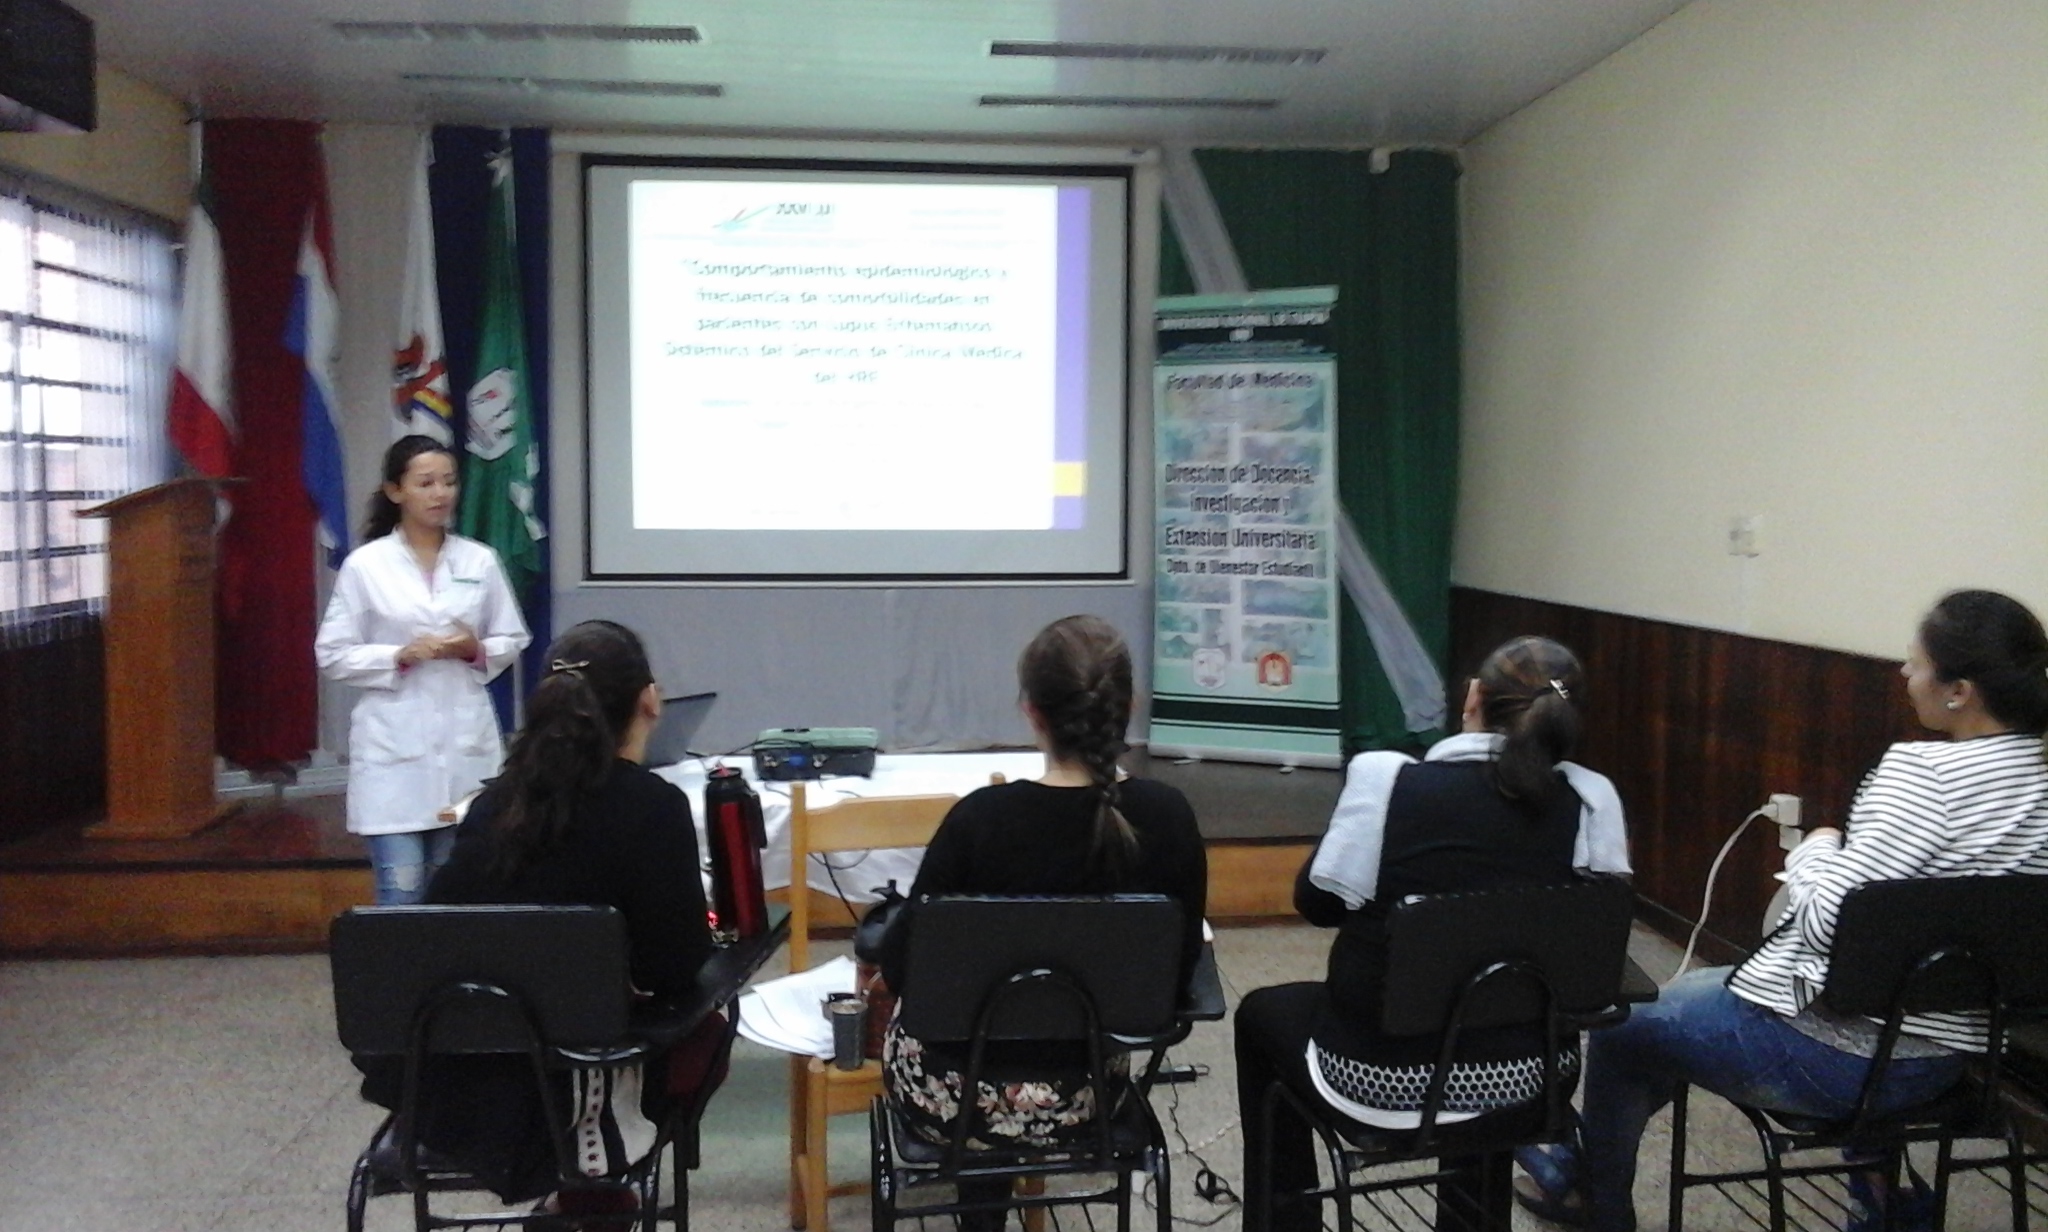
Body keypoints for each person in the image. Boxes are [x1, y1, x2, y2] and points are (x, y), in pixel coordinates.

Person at [1514, 589, 2048, 1232]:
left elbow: (1829, 927)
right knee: (1692, 998)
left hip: (1845, 1062)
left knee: (1628, 1024)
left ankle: (1595, 1200)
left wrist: (1816, 850)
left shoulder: (1923, 775)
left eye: (1917, 663)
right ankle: (1878, 1203)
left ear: (1959, 691)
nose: (1906, 672)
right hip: (1954, 1061)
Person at [1233, 635, 1630, 1232]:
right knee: (1495, 1016)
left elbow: (1319, 904)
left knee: (1261, 1015)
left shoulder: (1387, 782)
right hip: (1535, 1081)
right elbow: (1597, 935)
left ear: (1472, 698)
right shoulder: (1591, 801)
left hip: (1378, 1079)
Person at [360, 619, 718, 1210]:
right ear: (650, 700)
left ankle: (578, 1203)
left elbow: (433, 936)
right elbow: (673, 968)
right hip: (578, 1081)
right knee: (710, 1023)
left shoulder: (491, 806)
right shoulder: (655, 807)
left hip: (459, 1084)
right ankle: (591, 1197)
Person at [876, 615, 1207, 1215]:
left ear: (1031, 712)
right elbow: (1176, 979)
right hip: (1089, 1099)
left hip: (953, 1103)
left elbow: (905, 973)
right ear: (1128, 706)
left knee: (951, 1021)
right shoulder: (1169, 817)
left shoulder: (979, 820)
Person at [316, 435, 530, 904]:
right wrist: (398, 656)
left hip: (464, 749)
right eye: (426, 483)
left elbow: (512, 638)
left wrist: (475, 650)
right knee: (403, 890)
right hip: (395, 756)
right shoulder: (367, 565)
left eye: (449, 482)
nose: (440, 494)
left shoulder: (479, 559)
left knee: (457, 892)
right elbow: (332, 653)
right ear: (396, 491)